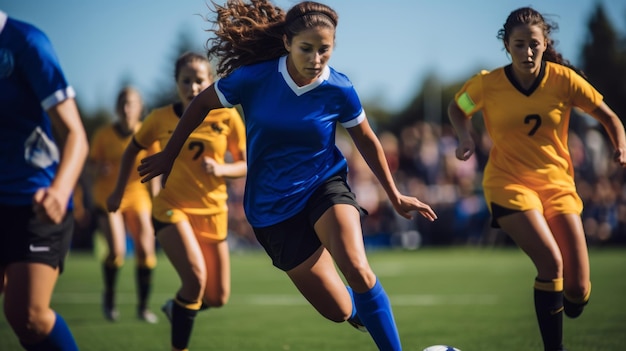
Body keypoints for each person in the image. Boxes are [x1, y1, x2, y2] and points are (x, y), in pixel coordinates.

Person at [137, 2, 437, 350]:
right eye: (306, 49)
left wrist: (395, 194)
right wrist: (169, 154)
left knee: (357, 268)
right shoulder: (254, 78)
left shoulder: (339, 88)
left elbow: (367, 139)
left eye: (324, 49)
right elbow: (201, 104)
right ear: (287, 44)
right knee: (339, 310)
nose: (315, 58)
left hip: (323, 186)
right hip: (271, 210)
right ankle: (362, 311)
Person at [447, 7, 626, 351]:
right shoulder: (487, 84)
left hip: (558, 187)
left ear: (545, 43)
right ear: (506, 45)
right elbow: (458, 107)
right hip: (508, 183)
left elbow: (610, 118)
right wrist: (465, 136)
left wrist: (620, 145)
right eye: (518, 45)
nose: (527, 52)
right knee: (551, 262)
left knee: (576, 289)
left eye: (533, 44)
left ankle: (571, 298)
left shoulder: (564, 80)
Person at [107, 52, 247, 351]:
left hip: (214, 213)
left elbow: (246, 163)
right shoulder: (159, 118)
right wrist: (118, 191)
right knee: (195, 280)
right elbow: (132, 150)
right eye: (186, 81)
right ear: (177, 83)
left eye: (200, 80)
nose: (193, 87)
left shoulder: (228, 116)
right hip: (171, 207)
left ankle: (177, 309)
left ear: (210, 81)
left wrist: (223, 169)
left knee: (216, 297)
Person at [0, 11, 87, 351]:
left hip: (35, 202)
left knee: (28, 317)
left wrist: (60, 189)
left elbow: (75, 135)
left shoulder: (27, 44)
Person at [89, 86, 159, 323]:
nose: (127, 109)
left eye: (131, 103)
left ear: (140, 107)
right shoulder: (103, 135)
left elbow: (155, 169)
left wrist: (157, 200)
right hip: (109, 197)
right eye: (122, 104)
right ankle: (109, 298)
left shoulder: (147, 133)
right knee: (117, 252)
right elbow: (89, 165)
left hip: (138, 196)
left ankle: (143, 308)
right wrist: (99, 168)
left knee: (147, 252)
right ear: (117, 108)